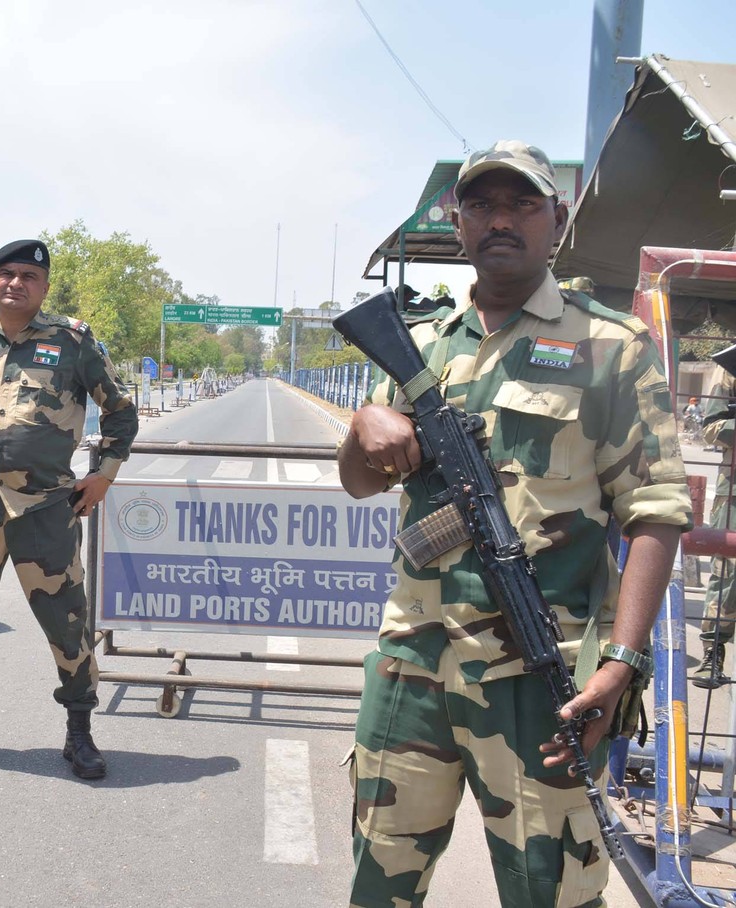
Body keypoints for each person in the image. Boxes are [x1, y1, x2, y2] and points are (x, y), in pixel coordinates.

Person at [337, 142, 691, 906]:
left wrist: (621, 662)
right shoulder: (418, 346)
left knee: (551, 895)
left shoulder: (610, 349)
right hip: (412, 665)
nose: (501, 219)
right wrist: (364, 423)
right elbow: (360, 481)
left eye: (522, 204)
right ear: (458, 224)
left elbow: (657, 515)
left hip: (543, 679)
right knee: (378, 883)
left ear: (557, 221)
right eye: (482, 205)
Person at [0, 239, 138, 779]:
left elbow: (121, 414)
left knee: (68, 625)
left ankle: (80, 733)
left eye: (28, 276)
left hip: (45, 510)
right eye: (6, 274)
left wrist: (103, 476)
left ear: (43, 287)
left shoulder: (72, 341)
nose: (15, 283)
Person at [695, 378, 736, 688]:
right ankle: (713, 653)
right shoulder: (729, 373)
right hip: (734, 490)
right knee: (727, 571)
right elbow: (710, 427)